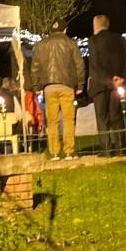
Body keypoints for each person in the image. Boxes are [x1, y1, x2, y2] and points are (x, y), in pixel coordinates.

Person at [32, 19, 86, 160]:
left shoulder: (41, 45)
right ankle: (69, 151)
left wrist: (37, 87)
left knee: (52, 121)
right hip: (67, 85)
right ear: (65, 30)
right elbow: (79, 65)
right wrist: (80, 85)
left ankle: (54, 152)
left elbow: (35, 67)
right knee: (68, 119)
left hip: (49, 87)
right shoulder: (70, 43)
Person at [88, 14, 126, 155]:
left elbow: (95, 64)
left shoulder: (93, 41)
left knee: (102, 118)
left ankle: (107, 149)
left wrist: (109, 79)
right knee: (116, 116)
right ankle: (121, 147)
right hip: (118, 84)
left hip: (100, 84)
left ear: (96, 25)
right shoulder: (120, 39)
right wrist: (121, 78)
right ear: (107, 24)